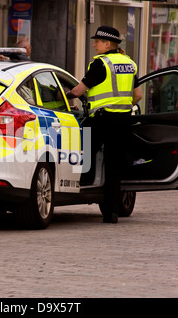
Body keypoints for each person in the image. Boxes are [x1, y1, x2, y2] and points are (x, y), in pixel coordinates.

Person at [66, 26, 142, 223]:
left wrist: (63, 94)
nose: (94, 44)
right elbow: (138, 96)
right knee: (113, 166)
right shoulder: (129, 63)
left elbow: (78, 91)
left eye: (97, 41)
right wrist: (122, 106)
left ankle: (81, 184)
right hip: (123, 121)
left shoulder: (100, 64)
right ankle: (111, 213)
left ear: (108, 44)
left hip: (100, 120)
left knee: (82, 148)